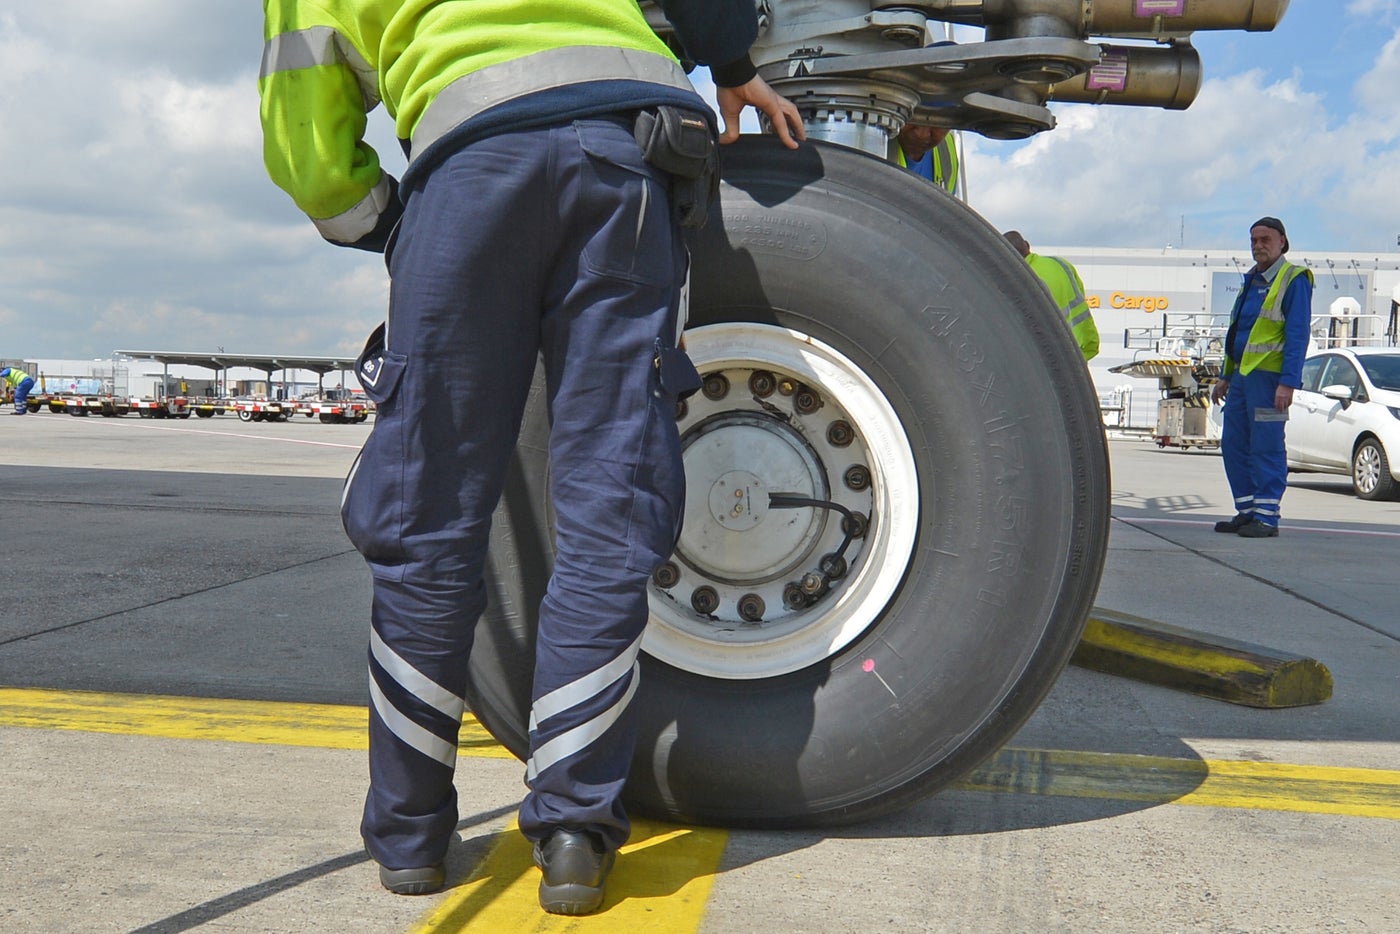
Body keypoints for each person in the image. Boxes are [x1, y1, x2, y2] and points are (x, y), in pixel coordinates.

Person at [259, 0, 804, 916]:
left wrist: (392, 225)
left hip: (470, 167)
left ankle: (410, 836)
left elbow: (306, 148)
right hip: (628, 158)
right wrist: (729, 58)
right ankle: (574, 836)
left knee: (426, 522)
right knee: (609, 518)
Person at [1209, 217, 1313, 538]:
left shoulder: (1293, 279)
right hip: (1241, 380)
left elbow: (1297, 335)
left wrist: (1288, 382)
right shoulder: (1251, 280)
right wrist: (1226, 375)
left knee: (1266, 445)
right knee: (1234, 443)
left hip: (1269, 382)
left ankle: (1267, 517)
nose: (1258, 246)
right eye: (1253, 240)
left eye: (1265, 239)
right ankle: (1247, 510)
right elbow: (1237, 332)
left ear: (1282, 241)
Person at [1003, 231, 1100, 361]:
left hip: (1052, 357)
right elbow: (1080, 295)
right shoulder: (1061, 263)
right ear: (1027, 245)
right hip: (1084, 345)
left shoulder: (1022, 278)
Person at [895, 122, 958, 195]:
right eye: (914, 114)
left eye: (936, 120)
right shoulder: (879, 142)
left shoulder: (948, 155)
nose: (921, 134)